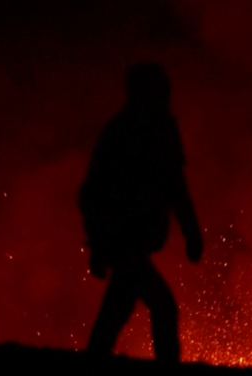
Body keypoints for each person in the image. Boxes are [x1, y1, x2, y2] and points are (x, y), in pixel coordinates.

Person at [79, 62, 203, 363]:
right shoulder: (135, 131)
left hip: (125, 243)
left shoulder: (129, 129)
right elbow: (94, 192)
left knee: (118, 308)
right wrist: (191, 232)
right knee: (162, 307)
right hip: (125, 242)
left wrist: (98, 244)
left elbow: (173, 186)